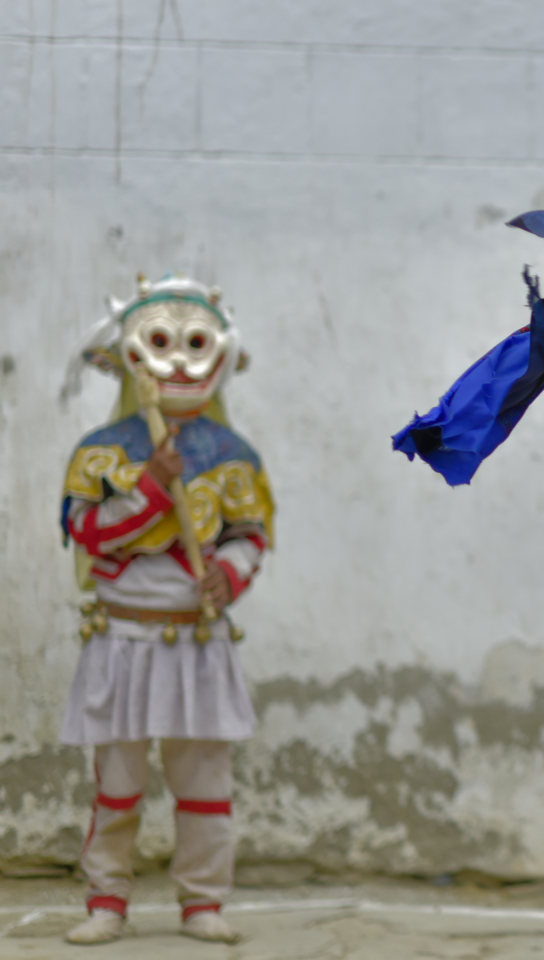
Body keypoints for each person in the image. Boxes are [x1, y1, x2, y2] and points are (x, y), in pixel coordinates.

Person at [56, 274, 272, 945]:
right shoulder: (99, 452)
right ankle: (106, 903)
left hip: (198, 644)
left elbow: (248, 536)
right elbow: (86, 532)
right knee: (116, 786)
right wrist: (150, 488)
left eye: (196, 344)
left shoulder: (234, 456)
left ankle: (203, 903)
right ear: (129, 354)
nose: (178, 361)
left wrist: (227, 579)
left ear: (222, 354)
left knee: (205, 786)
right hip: (120, 642)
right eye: (160, 343)